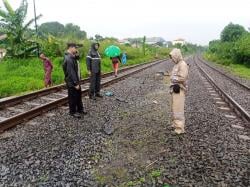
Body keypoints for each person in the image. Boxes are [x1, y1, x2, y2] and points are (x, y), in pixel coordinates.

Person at [63, 43, 87, 118]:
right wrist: (75, 83)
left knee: (78, 96)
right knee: (73, 97)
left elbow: (77, 62)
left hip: (76, 80)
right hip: (72, 81)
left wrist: (76, 55)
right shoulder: (68, 58)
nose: (76, 50)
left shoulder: (72, 57)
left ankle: (80, 109)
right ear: (71, 48)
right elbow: (71, 72)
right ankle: (72, 112)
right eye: (75, 48)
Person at [169, 48, 189, 134]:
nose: (172, 59)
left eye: (172, 57)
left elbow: (182, 77)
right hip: (175, 89)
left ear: (177, 55)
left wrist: (173, 78)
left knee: (178, 109)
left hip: (180, 89)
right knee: (174, 108)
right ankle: (175, 124)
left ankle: (179, 129)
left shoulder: (182, 64)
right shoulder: (177, 64)